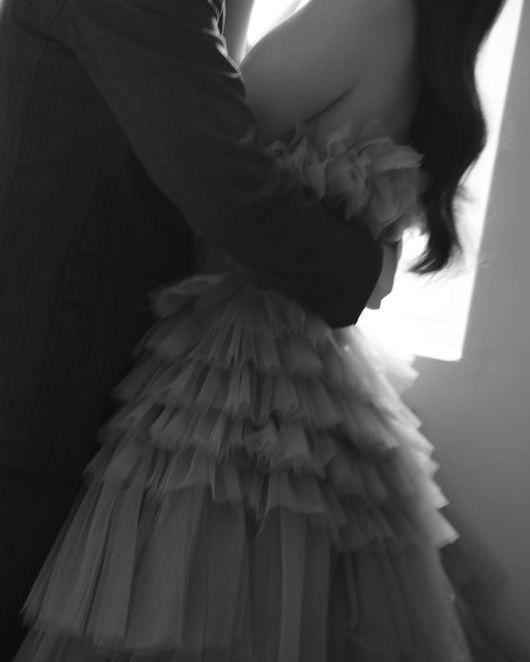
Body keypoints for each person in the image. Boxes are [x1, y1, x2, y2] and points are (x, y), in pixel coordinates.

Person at [9, 0, 509, 660]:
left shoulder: (362, 14)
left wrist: (368, 274)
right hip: (125, 340)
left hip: (218, 360)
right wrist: (369, 270)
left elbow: (226, 171)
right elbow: (219, 168)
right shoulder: (409, 28)